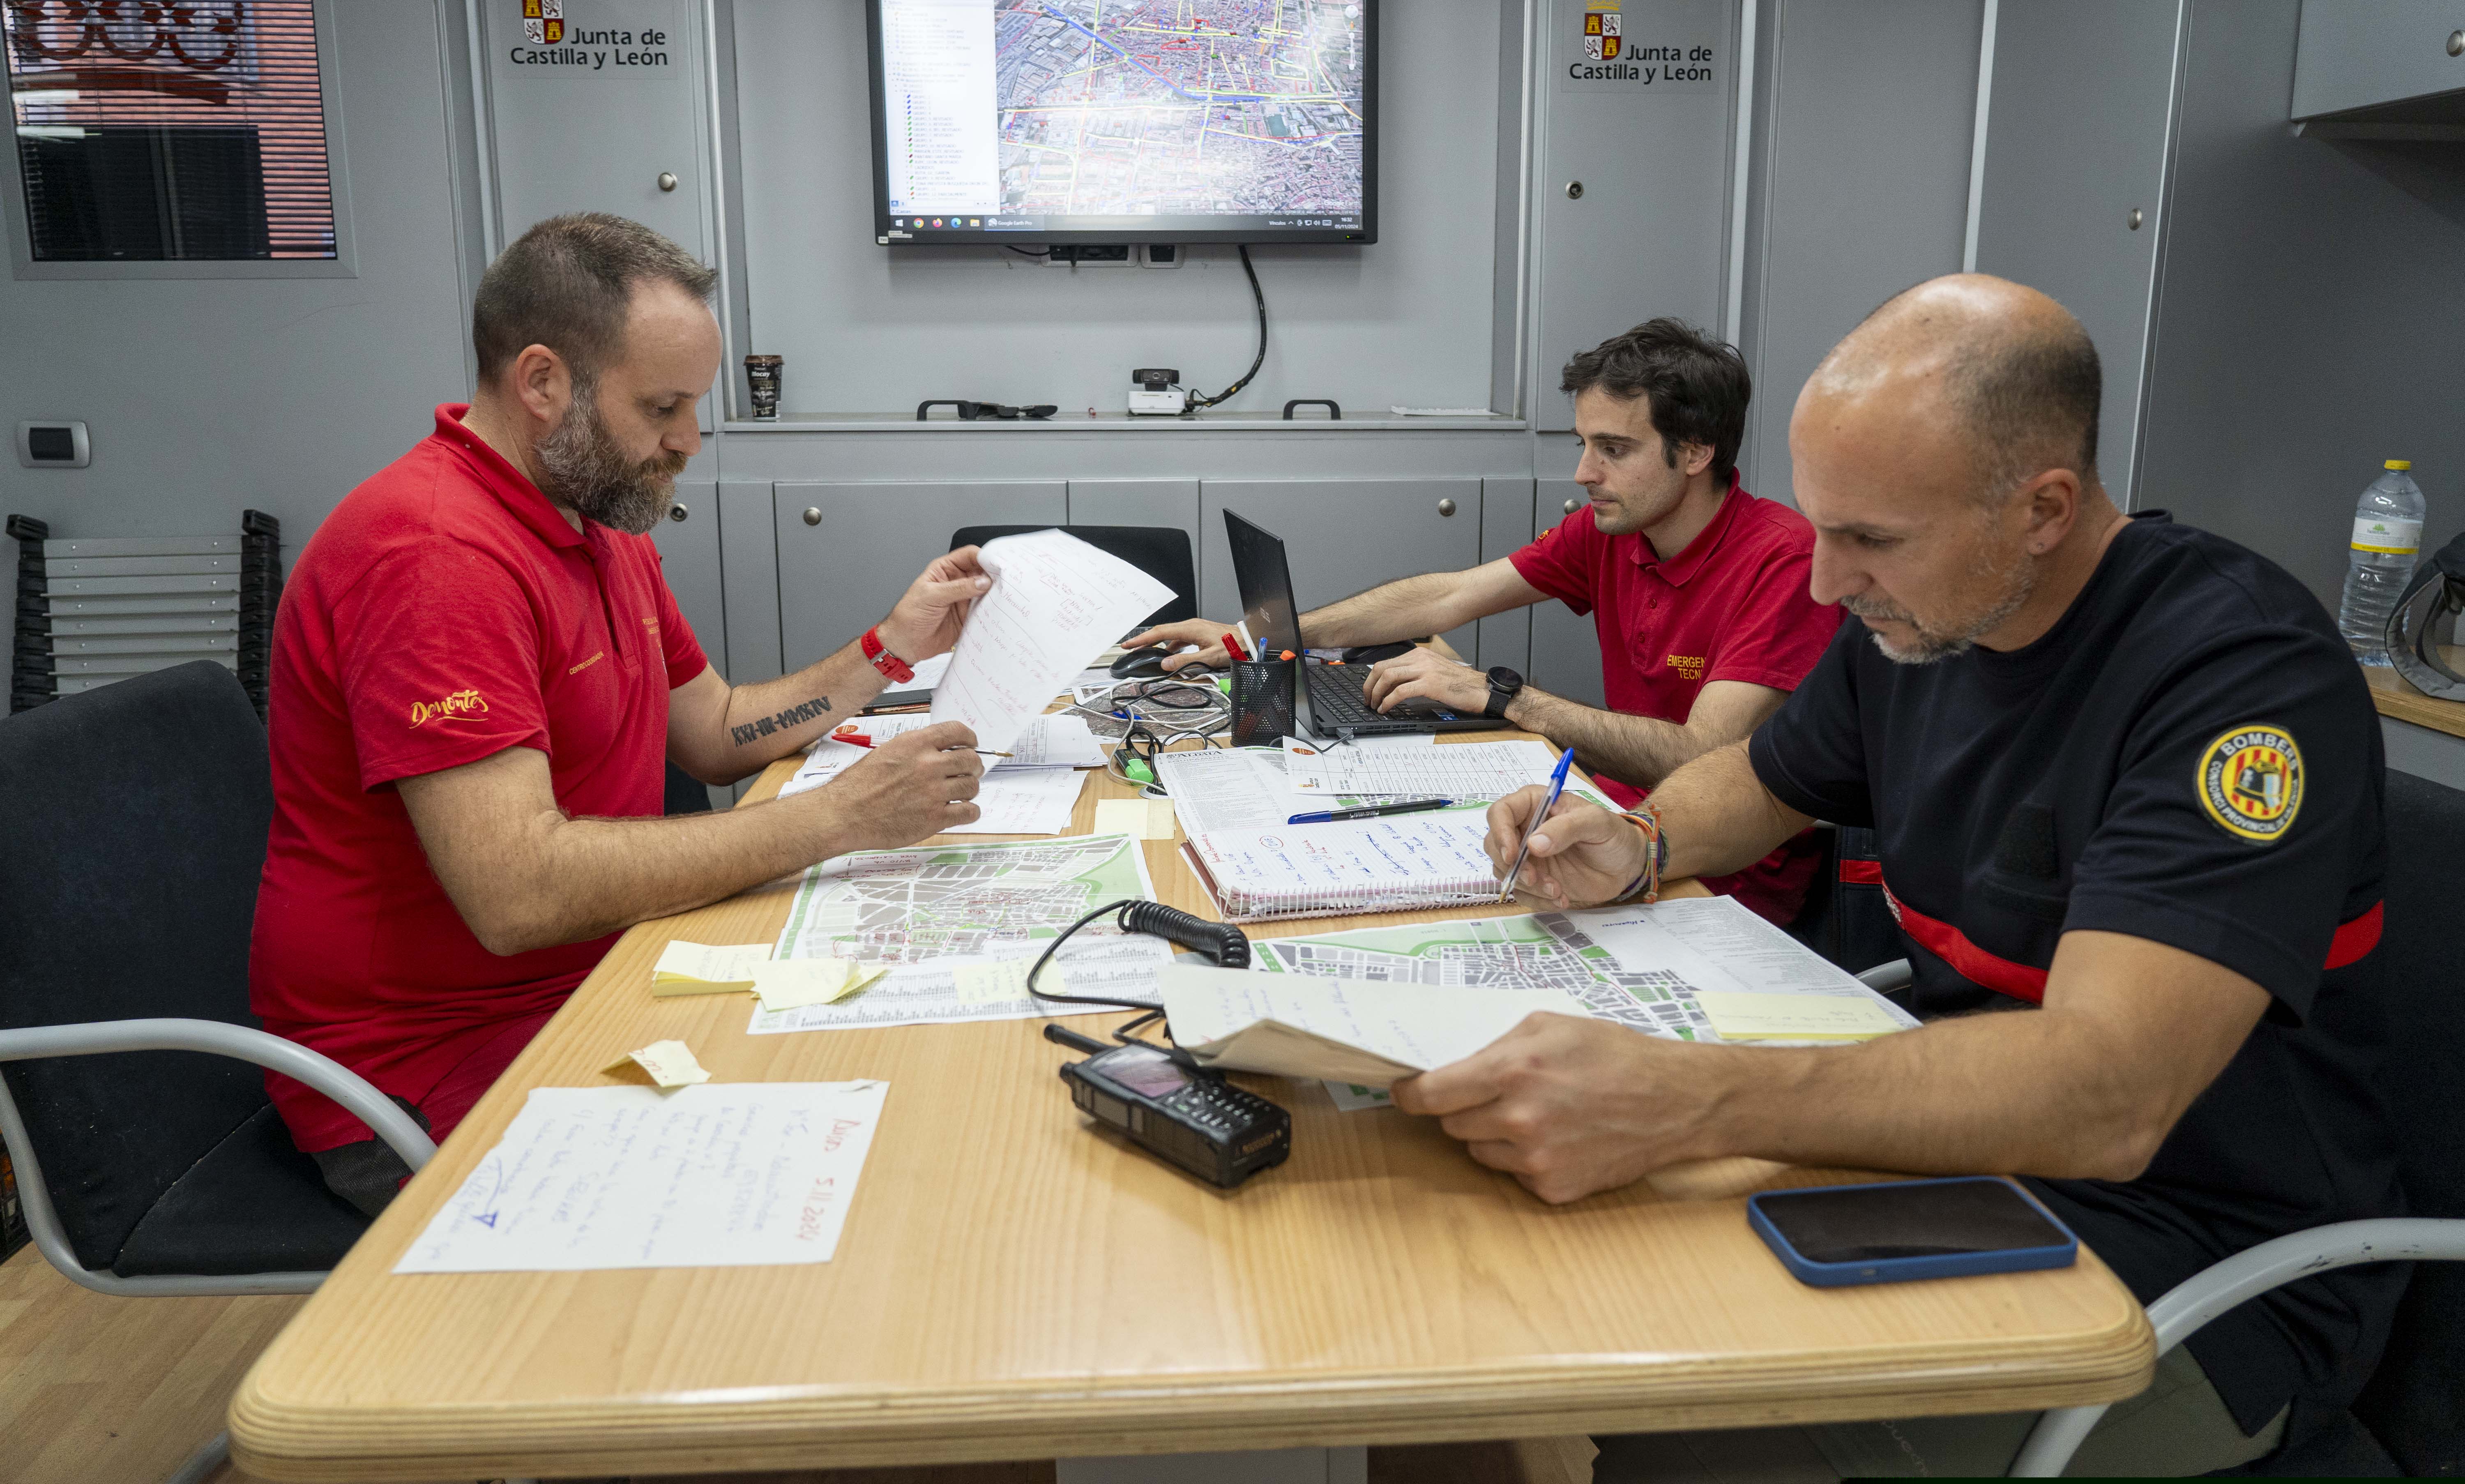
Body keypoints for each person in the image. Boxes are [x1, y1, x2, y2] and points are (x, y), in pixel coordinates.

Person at [1415, 274, 2399, 1478]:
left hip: (2193, 1277)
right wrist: (1644, 843)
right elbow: (1766, 777)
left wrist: (1699, 1098)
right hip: (1961, 1167)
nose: (1827, 583)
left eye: (1872, 539)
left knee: (1691, 1427)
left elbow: (2108, 1095)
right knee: (1570, 1302)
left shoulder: (2238, 679)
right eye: (1822, 527)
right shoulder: (1927, 623)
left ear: (2042, 508)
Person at [251, 213, 988, 1215]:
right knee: (836, 1180)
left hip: (594, 977)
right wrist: (840, 818)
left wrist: (888, 648)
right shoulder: (433, 560)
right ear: (543, 383)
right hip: (425, 1068)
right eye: (663, 406)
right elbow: (520, 895)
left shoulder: (595, 513)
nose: (689, 438)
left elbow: (717, 730)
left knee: (916, 1079)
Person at [1127, 319, 1840, 925]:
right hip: (1596, 824)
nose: (1584, 473)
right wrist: (1259, 639)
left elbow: (1701, 756)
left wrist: (1505, 696)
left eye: (1614, 450)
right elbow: (1447, 597)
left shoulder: (1782, 562)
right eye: (1583, 443)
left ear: (1695, 453)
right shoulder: (1614, 530)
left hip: (1712, 881)